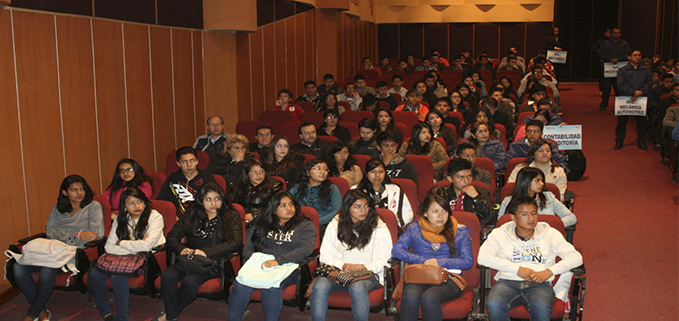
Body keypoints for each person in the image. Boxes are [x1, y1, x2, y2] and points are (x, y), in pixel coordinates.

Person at [14, 175, 104, 321]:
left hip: (76, 253)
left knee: (47, 272)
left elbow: (97, 234)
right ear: (64, 193)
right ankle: (42, 311)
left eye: (82, 189)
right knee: (18, 268)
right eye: (74, 190)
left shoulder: (93, 207)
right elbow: (50, 232)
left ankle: (31, 314)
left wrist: (64, 236)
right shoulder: (58, 209)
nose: (79, 193)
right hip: (53, 250)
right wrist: (78, 234)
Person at [480, 196, 583, 321]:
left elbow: (576, 257)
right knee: (494, 304)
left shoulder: (550, 233)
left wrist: (549, 271)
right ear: (513, 217)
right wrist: (517, 269)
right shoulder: (500, 233)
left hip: (540, 284)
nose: (531, 218)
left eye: (534, 213)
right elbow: (483, 258)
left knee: (540, 306)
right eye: (524, 214)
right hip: (508, 282)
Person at [157, 183, 243, 321]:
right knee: (167, 275)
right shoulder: (192, 214)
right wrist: (182, 249)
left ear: (222, 199)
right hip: (189, 259)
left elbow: (235, 242)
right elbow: (172, 236)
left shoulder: (230, 215)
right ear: (201, 201)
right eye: (208, 199)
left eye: (217, 198)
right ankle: (171, 315)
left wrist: (206, 252)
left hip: (214, 262)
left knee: (189, 282)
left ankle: (169, 315)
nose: (213, 203)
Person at [226, 191, 315, 321]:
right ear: (273, 209)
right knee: (241, 283)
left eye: (291, 204)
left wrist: (279, 261)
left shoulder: (305, 225)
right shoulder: (261, 224)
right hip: (262, 263)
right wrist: (253, 262)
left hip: (289, 265)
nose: (289, 208)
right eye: (283, 206)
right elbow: (248, 247)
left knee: (271, 287)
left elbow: (306, 249)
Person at [310, 190, 392, 321]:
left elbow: (385, 258)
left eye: (366, 205)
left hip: (367, 274)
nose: (363, 210)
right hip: (339, 272)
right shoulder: (336, 224)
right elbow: (324, 255)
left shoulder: (378, 226)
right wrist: (343, 265)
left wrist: (364, 268)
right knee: (320, 285)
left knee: (357, 288)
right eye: (357, 206)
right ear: (347, 208)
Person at [392, 194, 473, 321]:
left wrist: (440, 262)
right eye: (435, 211)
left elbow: (468, 262)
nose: (440, 216)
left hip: (450, 277)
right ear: (425, 213)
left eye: (444, 211)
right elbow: (396, 250)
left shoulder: (460, 232)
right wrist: (423, 261)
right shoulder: (414, 229)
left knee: (429, 297)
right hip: (420, 275)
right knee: (410, 295)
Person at [90, 188, 165, 321]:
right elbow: (109, 247)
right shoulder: (120, 219)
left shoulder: (155, 216)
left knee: (117, 276)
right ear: (124, 206)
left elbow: (147, 247)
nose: (137, 206)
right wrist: (137, 245)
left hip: (146, 259)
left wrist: (121, 243)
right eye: (131, 203)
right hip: (121, 258)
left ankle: (121, 317)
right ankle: (106, 313)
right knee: (95, 274)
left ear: (145, 202)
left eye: (140, 201)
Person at [498, 166, 576, 225]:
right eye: (537, 180)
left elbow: (571, 217)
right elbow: (501, 224)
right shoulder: (508, 201)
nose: (542, 184)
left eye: (542, 180)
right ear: (525, 182)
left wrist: (550, 226)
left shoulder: (548, 197)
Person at [428, 158, 495, 226]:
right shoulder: (438, 193)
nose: (466, 181)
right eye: (461, 177)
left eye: (469, 176)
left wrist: (476, 198)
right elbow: (427, 216)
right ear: (450, 179)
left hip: (471, 230)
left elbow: (491, 218)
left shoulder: (480, 192)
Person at [157, 147, 216, 218]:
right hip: (177, 221)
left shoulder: (207, 179)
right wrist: (171, 217)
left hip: (200, 219)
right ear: (178, 164)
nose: (189, 165)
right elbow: (162, 202)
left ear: (197, 161)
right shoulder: (173, 178)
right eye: (184, 162)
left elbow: (215, 204)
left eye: (192, 161)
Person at [353, 159, 414, 228]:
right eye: (373, 172)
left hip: (391, 228)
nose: (377, 175)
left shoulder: (395, 190)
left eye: (381, 172)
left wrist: (393, 225)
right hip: (363, 229)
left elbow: (407, 213)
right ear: (366, 174)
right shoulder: (356, 191)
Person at [289, 159, 342, 233]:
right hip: (300, 223)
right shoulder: (297, 188)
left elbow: (337, 210)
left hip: (325, 225)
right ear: (308, 172)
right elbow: (288, 206)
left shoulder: (332, 189)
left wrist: (317, 222)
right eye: (318, 168)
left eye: (325, 169)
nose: (322, 172)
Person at [614, 49, 653, 150]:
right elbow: (620, 85)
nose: (638, 57)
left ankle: (641, 141)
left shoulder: (646, 69)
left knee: (641, 122)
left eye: (639, 55)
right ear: (629, 57)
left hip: (641, 98)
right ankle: (619, 141)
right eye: (635, 55)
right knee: (622, 122)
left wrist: (640, 92)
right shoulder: (622, 70)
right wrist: (633, 92)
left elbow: (649, 82)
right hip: (625, 98)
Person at [230, 158, 284, 226]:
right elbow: (228, 205)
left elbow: (276, 207)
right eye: (254, 172)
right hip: (240, 221)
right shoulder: (236, 186)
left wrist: (254, 216)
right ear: (247, 173)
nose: (259, 175)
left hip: (263, 222)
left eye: (261, 171)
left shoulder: (274, 186)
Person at [598, 27, 630, 110]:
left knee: (619, 89)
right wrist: (609, 59)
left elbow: (627, 54)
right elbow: (600, 54)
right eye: (614, 33)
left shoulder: (624, 44)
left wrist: (618, 59)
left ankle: (619, 105)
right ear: (611, 34)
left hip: (620, 70)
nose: (616, 34)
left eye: (618, 33)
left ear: (620, 34)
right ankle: (604, 104)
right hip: (608, 69)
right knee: (606, 88)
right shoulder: (605, 43)